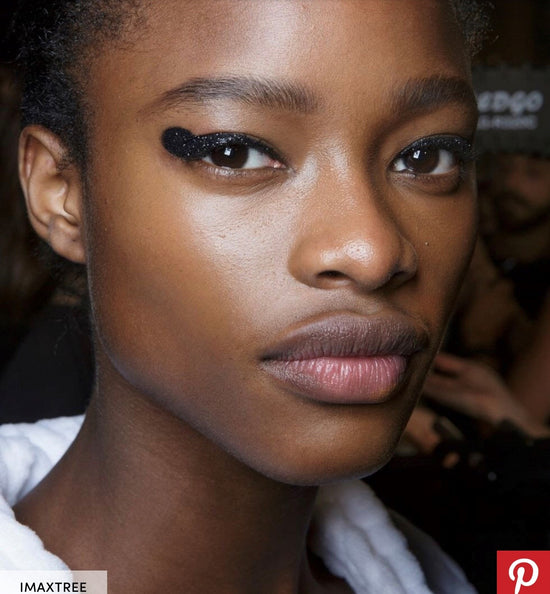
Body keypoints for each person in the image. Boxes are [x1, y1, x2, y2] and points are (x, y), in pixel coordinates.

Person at [1, 1, 489, 592]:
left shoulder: (456, 571)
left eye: (427, 156)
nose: (373, 252)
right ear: (61, 193)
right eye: (234, 152)